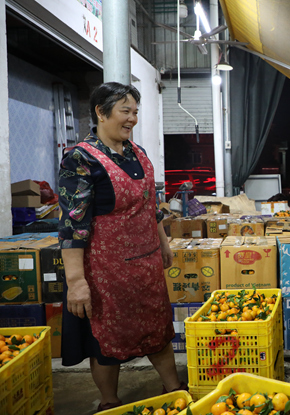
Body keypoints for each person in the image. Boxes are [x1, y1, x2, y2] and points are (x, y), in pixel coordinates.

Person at [58, 82, 186, 412]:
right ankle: (109, 400)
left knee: (157, 329)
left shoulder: (137, 152)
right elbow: (73, 224)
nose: (132, 119)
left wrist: (163, 242)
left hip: (145, 266)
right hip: (106, 271)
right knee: (108, 339)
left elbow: (150, 204)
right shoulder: (81, 159)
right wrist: (76, 282)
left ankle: (174, 388)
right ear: (101, 113)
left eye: (135, 112)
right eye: (125, 112)